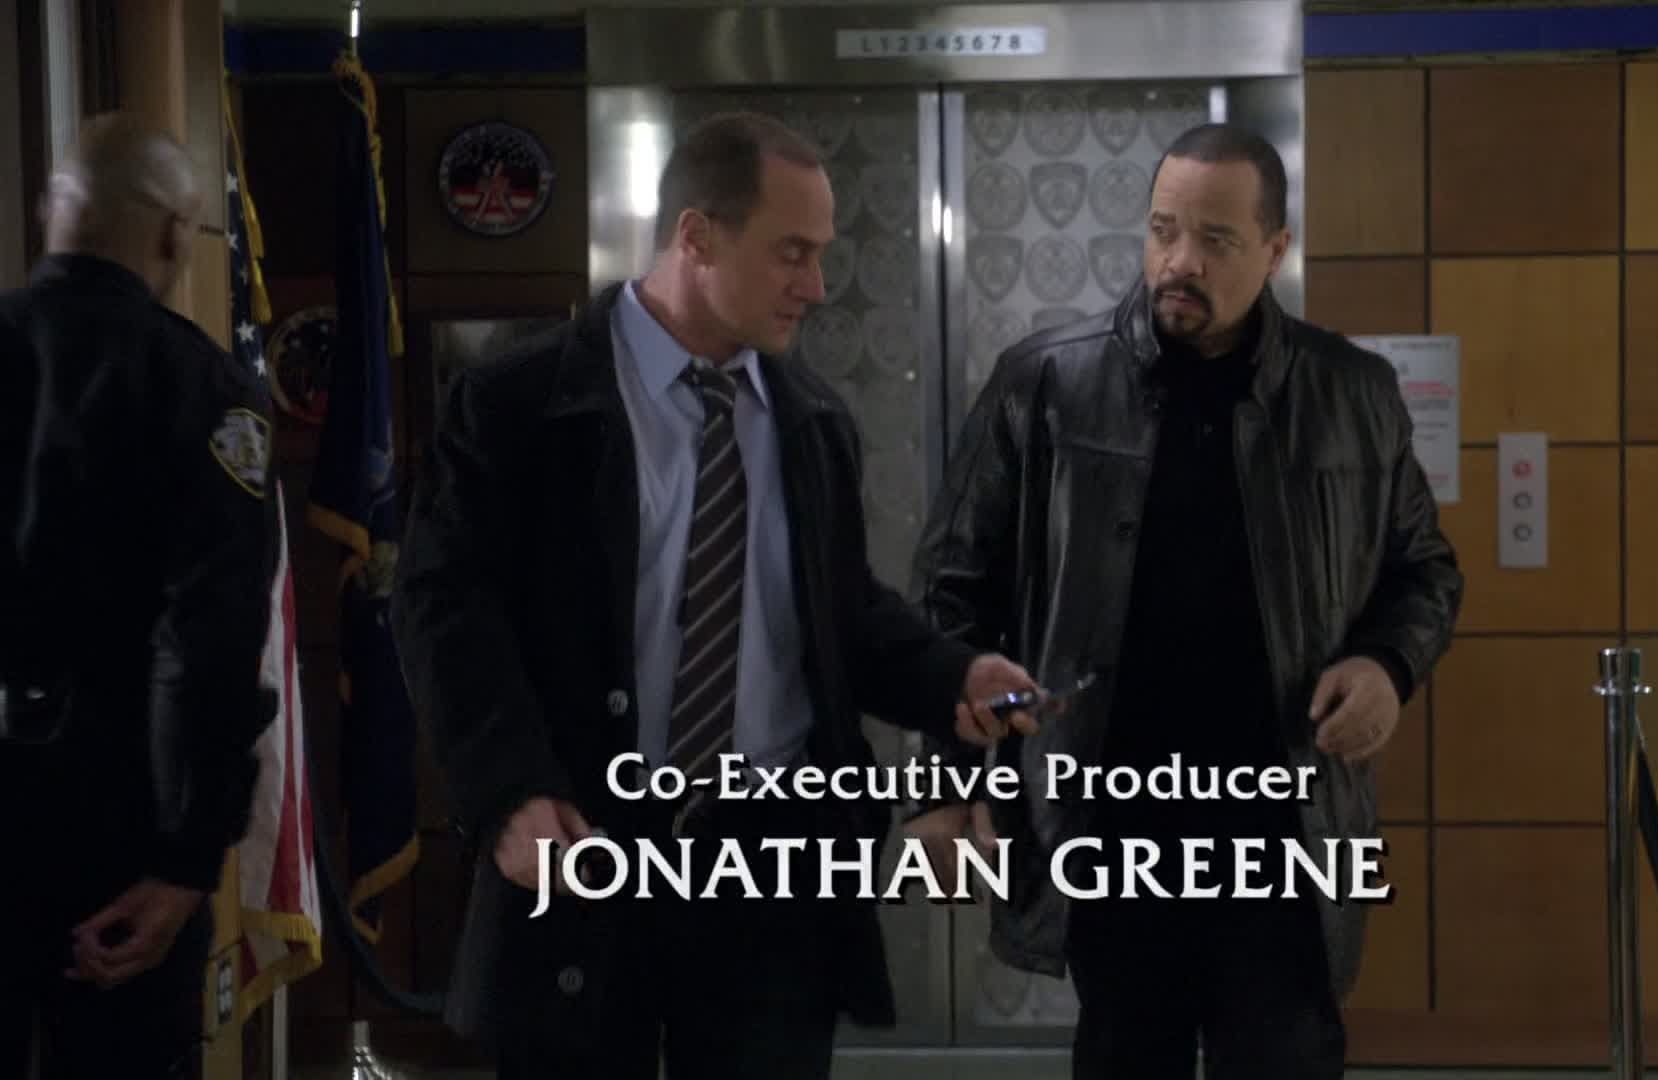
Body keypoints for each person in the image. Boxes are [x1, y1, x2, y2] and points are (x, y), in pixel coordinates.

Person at [390, 110, 1037, 1080]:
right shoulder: (519, 403)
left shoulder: (812, 419)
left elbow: (842, 616)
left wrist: (955, 674)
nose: (816, 286)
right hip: (590, 837)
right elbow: (444, 611)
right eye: (791, 253)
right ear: (696, 237)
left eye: (821, 255)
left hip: (773, 867)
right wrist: (511, 791)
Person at [906, 122, 1465, 1078]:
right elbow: (949, 594)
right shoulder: (1046, 384)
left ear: (1275, 251)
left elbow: (1425, 571)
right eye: (1164, 231)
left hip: (1285, 832)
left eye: (1215, 240)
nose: (1179, 262)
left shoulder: (1352, 395)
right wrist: (946, 785)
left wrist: (1387, 665)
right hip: (1110, 826)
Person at [0, 113, 278, 1078]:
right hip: (116, 828)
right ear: (172, 232)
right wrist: (186, 860)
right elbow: (207, 640)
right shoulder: (200, 390)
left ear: (53, 211)